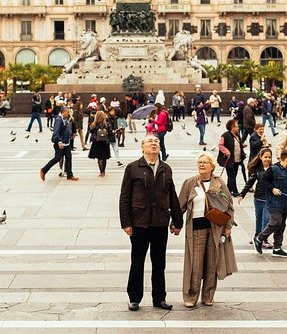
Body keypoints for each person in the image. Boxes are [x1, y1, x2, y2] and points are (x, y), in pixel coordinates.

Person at [119, 134, 183, 312]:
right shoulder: (133, 168)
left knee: (159, 263)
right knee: (137, 261)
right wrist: (126, 222)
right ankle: (134, 297)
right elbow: (124, 197)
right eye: (150, 142)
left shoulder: (165, 168)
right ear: (142, 147)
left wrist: (177, 221)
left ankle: (159, 298)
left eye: (156, 141)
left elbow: (172, 195)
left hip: (160, 222)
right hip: (139, 222)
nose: (154, 144)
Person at [178, 152, 237, 308]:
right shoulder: (190, 183)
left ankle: (208, 295)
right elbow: (180, 206)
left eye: (205, 162)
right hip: (196, 228)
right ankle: (191, 296)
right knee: (195, 264)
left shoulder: (219, 183)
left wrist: (228, 226)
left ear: (212, 166)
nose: (202, 165)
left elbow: (229, 205)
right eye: (199, 162)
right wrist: (175, 223)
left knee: (212, 264)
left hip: (215, 227)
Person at [253, 149, 287, 258]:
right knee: (276, 222)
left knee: (281, 225)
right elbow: (263, 181)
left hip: (285, 203)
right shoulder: (273, 170)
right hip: (273, 202)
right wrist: (272, 189)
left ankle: (277, 248)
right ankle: (259, 238)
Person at [239, 147, 273, 249]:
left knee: (266, 220)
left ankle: (263, 239)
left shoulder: (273, 169)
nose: (267, 159)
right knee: (259, 219)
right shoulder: (257, 170)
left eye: (269, 157)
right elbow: (250, 182)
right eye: (265, 157)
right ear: (261, 157)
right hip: (258, 198)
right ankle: (257, 237)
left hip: (268, 199)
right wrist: (242, 194)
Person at [40, 107, 78, 182]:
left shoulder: (66, 119)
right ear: (63, 112)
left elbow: (69, 129)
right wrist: (59, 142)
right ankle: (44, 170)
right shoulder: (58, 120)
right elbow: (56, 132)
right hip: (60, 143)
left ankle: (70, 175)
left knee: (69, 157)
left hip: (66, 143)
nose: (68, 113)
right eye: (67, 112)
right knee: (57, 158)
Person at [217, 119, 242, 197]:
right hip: (229, 159)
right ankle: (235, 191)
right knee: (231, 176)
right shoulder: (225, 135)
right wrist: (226, 151)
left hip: (237, 159)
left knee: (233, 175)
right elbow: (220, 145)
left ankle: (228, 189)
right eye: (236, 126)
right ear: (232, 127)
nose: (238, 128)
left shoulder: (237, 135)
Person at [88, 110, 113, 176]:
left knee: (99, 158)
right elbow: (110, 133)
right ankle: (103, 171)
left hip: (97, 142)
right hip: (105, 143)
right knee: (104, 158)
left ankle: (101, 172)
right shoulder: (107, 124)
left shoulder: (94, 124)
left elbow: (90, 131)